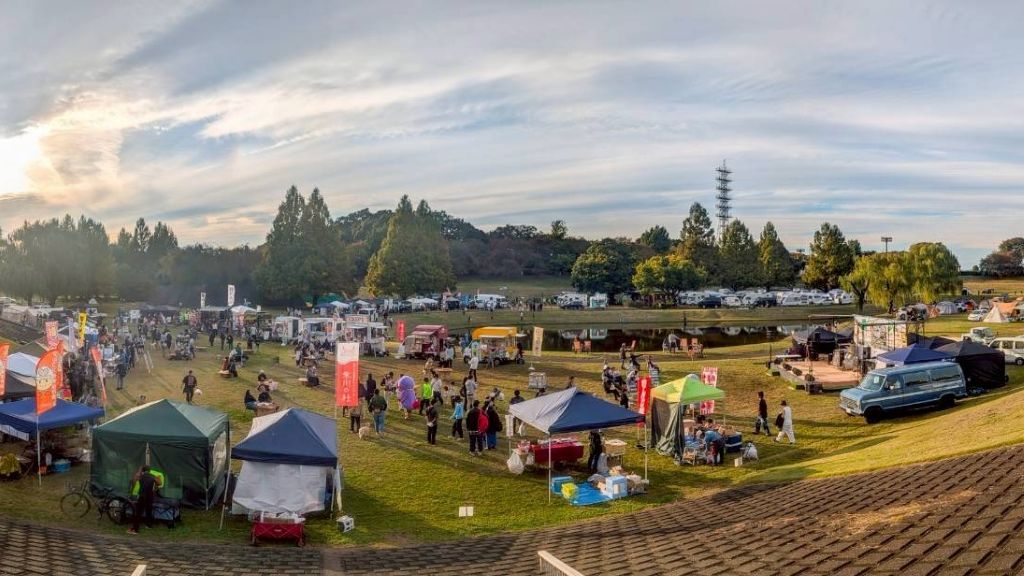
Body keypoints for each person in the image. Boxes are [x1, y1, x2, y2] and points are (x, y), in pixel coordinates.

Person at [128, 466, 158, 534]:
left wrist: (139, 472)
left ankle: (135, 530)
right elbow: (159, 483)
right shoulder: (153, 476)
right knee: (149, 510)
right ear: (149, 470)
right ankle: (149, 525)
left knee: (138, 512)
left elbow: (133, 481)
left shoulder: (141, 476)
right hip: (150, 496)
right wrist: (155, 487)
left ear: (143, 471)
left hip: (142, 495)